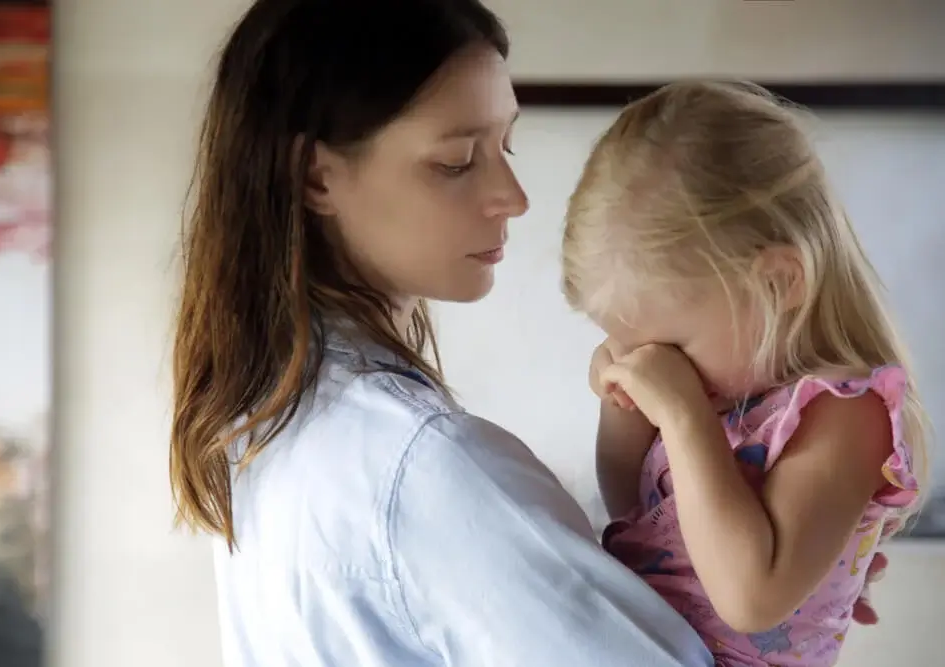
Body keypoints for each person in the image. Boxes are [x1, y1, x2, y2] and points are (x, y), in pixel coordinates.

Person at [168, 2, 887, 665]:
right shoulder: (423, 464)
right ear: (315, 176)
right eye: (455, 161)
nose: (513, 196)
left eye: (506, 143)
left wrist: (783, 582)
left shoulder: (259, 425)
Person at [561, 81, 924, 666]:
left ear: (779, 283)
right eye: (630, 343)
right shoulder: (726, 390)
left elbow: (751, 601)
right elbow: (630, 505)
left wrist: (683, 418)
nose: (654, 362)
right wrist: (623, 402)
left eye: (668, 343)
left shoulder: (843, 412)